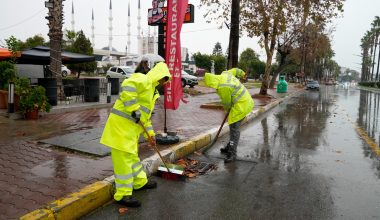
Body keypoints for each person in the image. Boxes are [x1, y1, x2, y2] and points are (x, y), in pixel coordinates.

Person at [100, 61, 171, 207]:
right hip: (120, 128)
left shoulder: (153, 92)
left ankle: (140, 182)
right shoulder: (143, 79)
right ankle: (123, 195)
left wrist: (150, 135)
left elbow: (145, 119)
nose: (163, 83)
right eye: (163, 79)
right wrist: (134, 109)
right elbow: (127, 86)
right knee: (124, 163)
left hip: (130, 131)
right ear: (158, 75)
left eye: (165, 81)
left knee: (132, 159)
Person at [204, 72, 254, 163]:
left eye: (211, 85)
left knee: (234, 129)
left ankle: (232, 153)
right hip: (245, 102)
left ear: (213, 82)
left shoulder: (223, 87)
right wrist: (242, 73)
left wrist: (227, 112)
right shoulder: (225, 74)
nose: (212, 87)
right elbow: (235, 70)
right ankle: (230, 147)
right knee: (233, 127)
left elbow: (227, 103)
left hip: (241, 106)